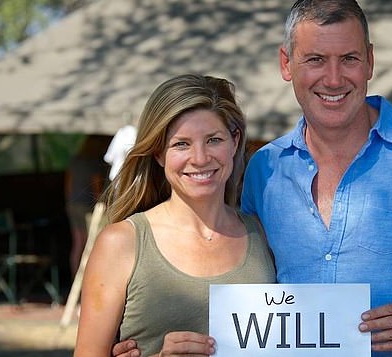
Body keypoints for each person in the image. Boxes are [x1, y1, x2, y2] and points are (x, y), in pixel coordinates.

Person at [113, 1, 392, 356]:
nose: (333, 78)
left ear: (370, 62)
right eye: (314, 60)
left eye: (348, 58)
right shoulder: (262, 169)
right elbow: (239, 286)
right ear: (286, 64)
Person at [74, 74, 276, 356]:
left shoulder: (264, 233)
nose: (201, 158)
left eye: (214, 140)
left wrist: (357, 328)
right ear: (158, 153)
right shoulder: (121, 243)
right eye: (181, 144)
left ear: (235, 141)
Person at [64, 136, 108, 277]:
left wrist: (69, 202)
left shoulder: (75, 160)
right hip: (88, 207)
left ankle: (75, 279)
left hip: (73, 205)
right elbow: (96, 185)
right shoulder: (94, 162)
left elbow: (68, 184)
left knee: (77, 243)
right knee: (91, 243)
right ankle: (88, 280)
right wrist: (100, 203)